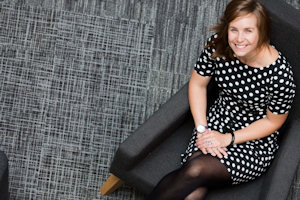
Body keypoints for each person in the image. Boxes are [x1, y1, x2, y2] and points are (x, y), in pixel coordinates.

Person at [146, 0, 296, 199]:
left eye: (248, 31)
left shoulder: (280, 76)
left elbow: (273, 121)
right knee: (192, 188)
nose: (239, 39)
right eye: (234, 29)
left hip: (253, 140)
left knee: (195, 169)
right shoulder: (219, 44)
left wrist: (228, 138)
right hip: (216, 122)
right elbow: (198, 85)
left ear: (262, 31)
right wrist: (203, 129)